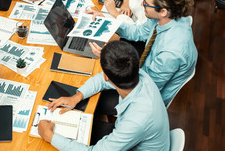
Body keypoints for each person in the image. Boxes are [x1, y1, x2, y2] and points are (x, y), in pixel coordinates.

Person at [38, 41, 170, 150]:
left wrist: (50, 136)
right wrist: (76, 97)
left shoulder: (136, 120)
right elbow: (102, 79)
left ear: (107, 76)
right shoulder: (138, 74)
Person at [90, 0, 198, 106]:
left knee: (94, 98)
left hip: (145, 96)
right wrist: (108, 23)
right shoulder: (165, 18)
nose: (142, 5)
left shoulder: (172, 52)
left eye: (146, 4)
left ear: (163, 11)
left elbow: (145, 86)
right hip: (143, 71)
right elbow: (138, 32)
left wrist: (112, 61)